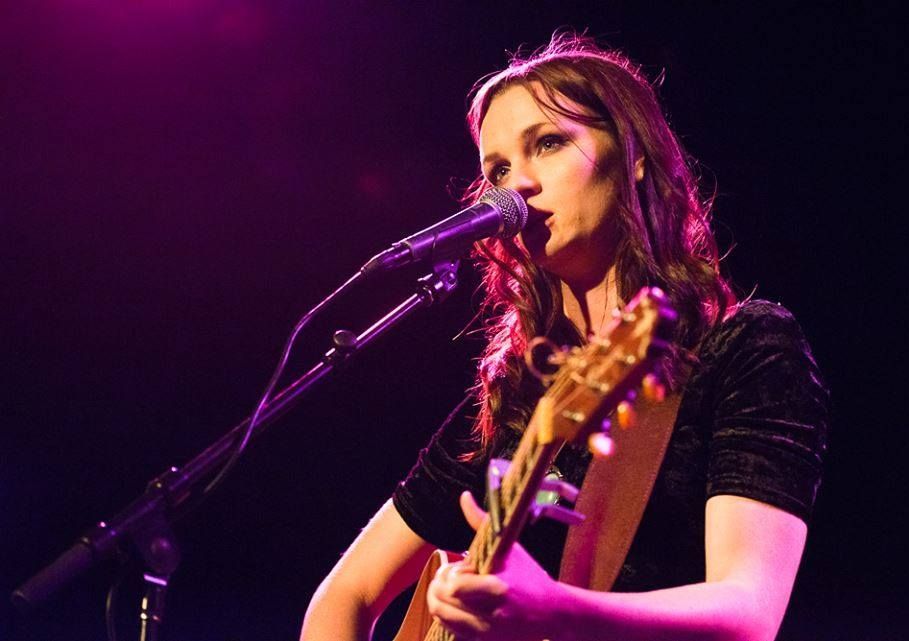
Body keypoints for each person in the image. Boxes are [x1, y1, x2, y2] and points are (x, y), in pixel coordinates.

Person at [301, 32, 827, 641]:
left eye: (547, 143)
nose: (515, 186)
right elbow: (345, 595)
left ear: (633, 154)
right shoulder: (516, 389)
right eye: (498, 169)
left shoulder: (744, 350)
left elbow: (748, 615)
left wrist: (553, 608)